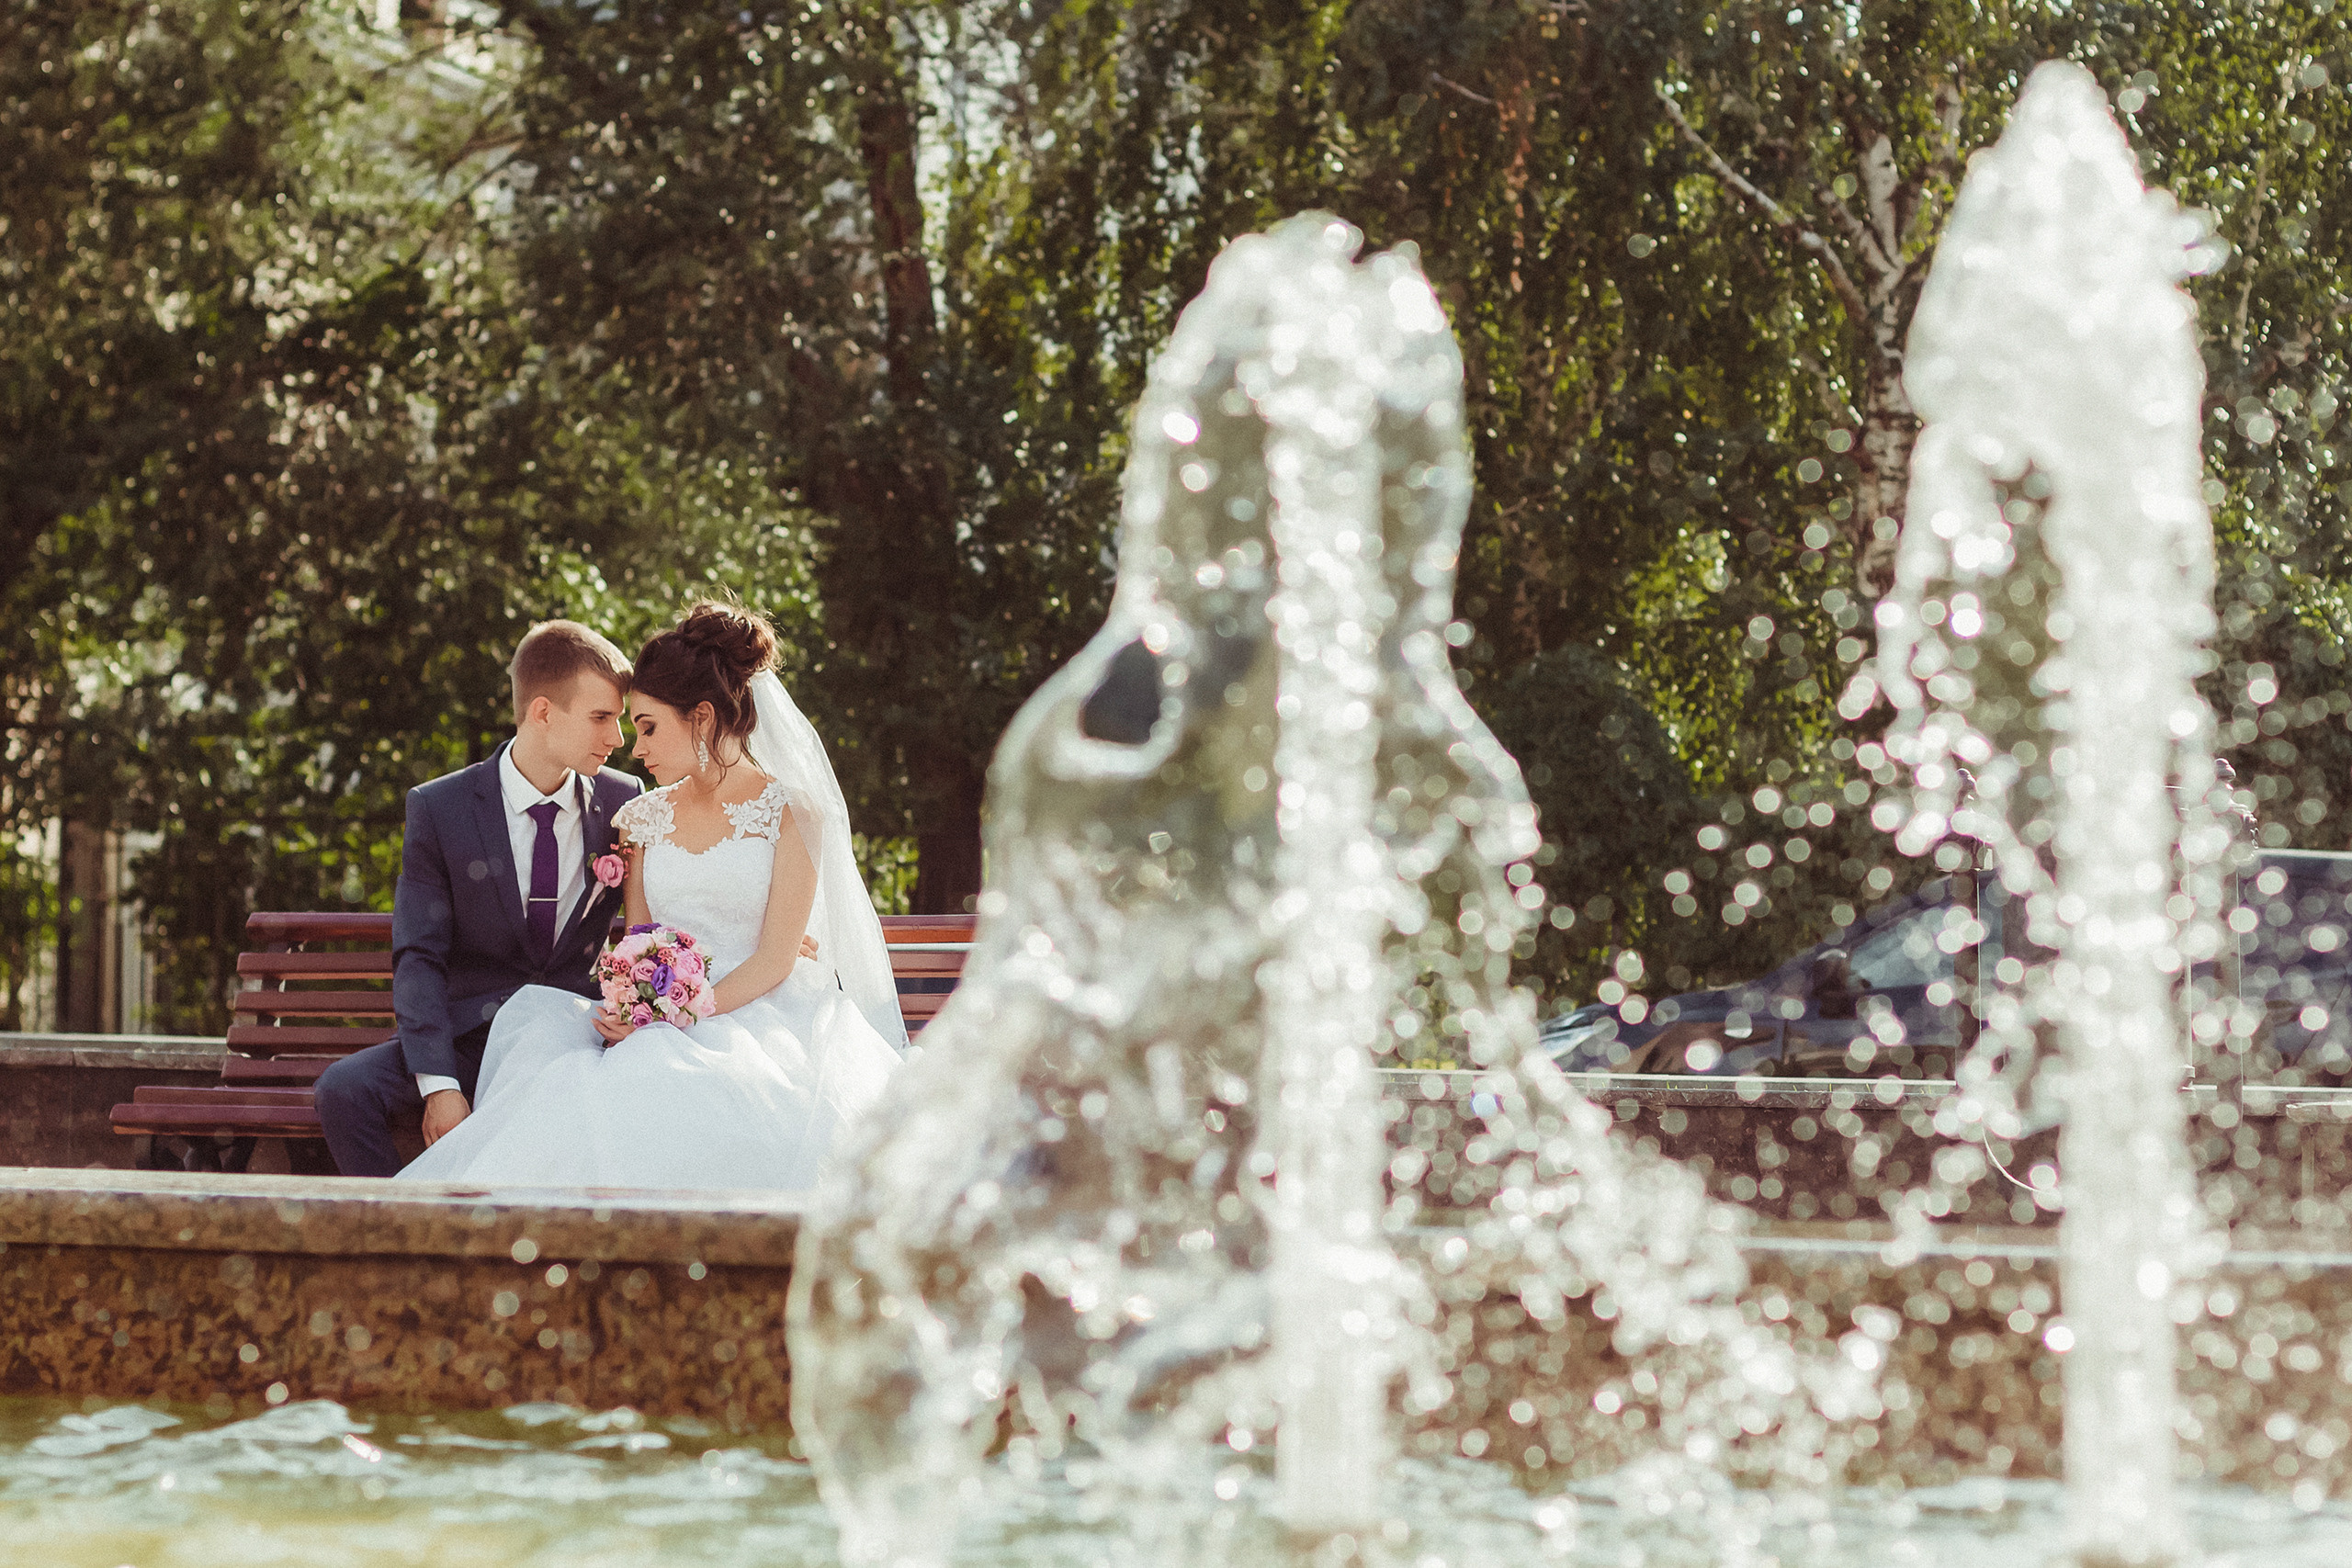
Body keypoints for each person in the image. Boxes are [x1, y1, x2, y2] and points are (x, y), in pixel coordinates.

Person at [394, 601, 906, 1190]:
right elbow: (640, 942)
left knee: (728, 1099)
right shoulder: (642, 817)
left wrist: (677, 1012)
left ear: (702, 718)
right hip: (660, 1019)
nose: (635, 749)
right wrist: (635, 1006)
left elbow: (775, 957)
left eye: (648, 726)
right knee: (577, 1088)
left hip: (766, 1017)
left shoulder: (794, 811)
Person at [314, 622, 645, 1178]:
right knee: (343, 1091)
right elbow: (419, 954)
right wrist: (440, 1085)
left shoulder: (624, 801)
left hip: (572, 1037)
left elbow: (654, 922)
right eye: (600, 717)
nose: (617, 737)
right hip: (473, 1038)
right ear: (542, 712)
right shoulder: (440, 808)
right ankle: (401, 1230)